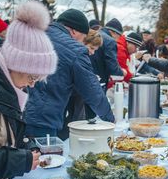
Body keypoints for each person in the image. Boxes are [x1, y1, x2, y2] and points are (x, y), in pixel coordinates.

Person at [0, 1, 58, 179]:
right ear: (16, 64)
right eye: (32, 77)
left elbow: (6, 131)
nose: (32, 85)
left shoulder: (9, 82)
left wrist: (28, 146)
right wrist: (19, 160)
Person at [25, 9, 114, 138]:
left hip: (16, 113)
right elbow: (92, 90)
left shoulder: (33, 35)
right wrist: (109, 119)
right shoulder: (75, 50)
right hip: (43, 119)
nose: (81, 41)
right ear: (74, 31)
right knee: (44, 157)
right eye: (83, 37)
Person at [89, 18, 124, 90]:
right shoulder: (110, 41)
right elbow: (112, 66)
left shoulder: (96, 35)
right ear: (113, 32)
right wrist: (122, 72)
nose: (118, 39)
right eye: (119, 36)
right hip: (99, 81)